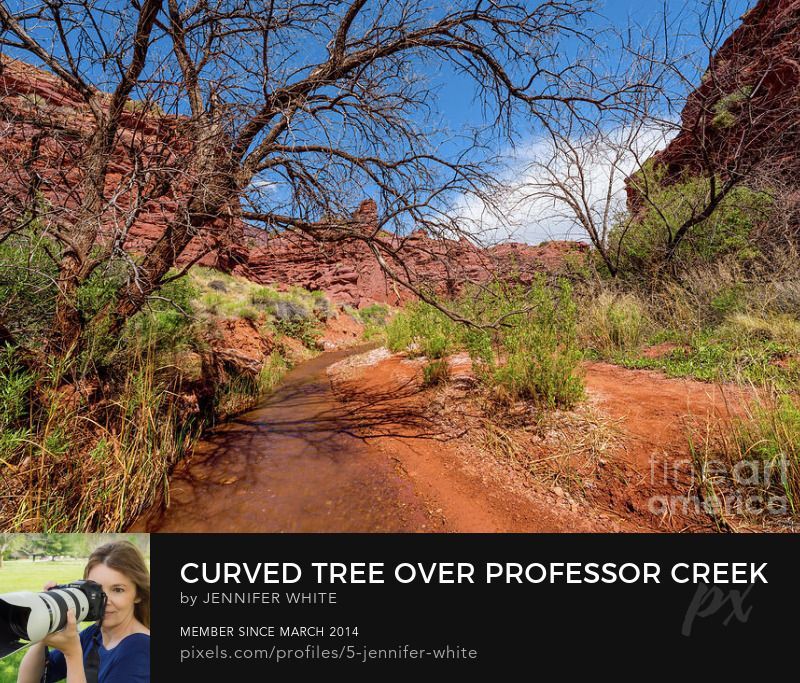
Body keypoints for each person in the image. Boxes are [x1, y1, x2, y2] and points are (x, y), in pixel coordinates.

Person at [17, 541, 150, 683]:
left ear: (138, 594)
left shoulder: (141, 649)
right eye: (96, 590)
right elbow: (29, 680)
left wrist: (72, 654)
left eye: (118, 590)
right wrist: (47, 623)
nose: (104, 601)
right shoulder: (94, 635)